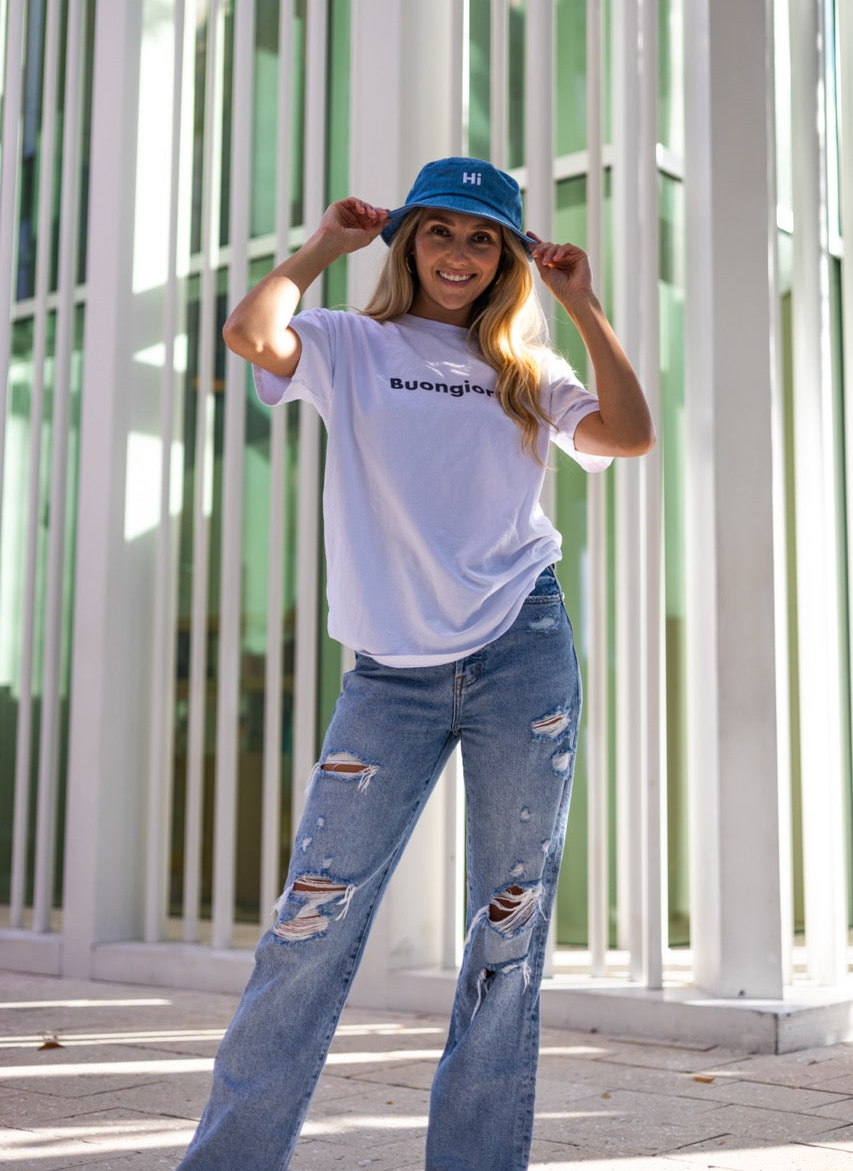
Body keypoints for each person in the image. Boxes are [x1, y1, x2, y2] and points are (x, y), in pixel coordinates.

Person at [177, 156, 654, 1171]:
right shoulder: (350, 343)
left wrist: (582, 304)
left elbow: (629, 435)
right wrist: (323, 245)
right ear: (408, 242)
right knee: (309, 925)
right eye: (440, 230)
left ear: (507, 259)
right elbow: (249, 333)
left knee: (505, 929)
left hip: (521, 650)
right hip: (389, 677)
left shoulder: (527, 370)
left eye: (483, 238)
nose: (458, 253)